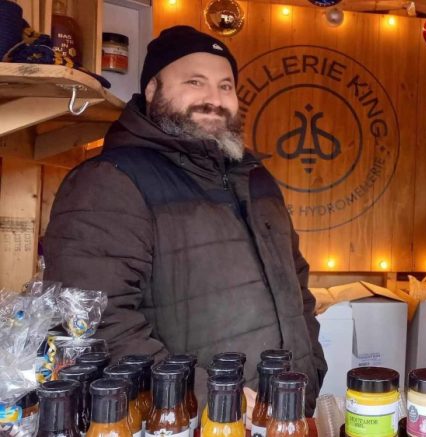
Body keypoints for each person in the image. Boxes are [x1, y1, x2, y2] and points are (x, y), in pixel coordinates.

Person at [43, 26, 326, 414]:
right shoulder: (110, 180)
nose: (215, 99)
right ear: (153, 90)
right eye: (195, 82)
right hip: (191, 420)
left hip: (285, 413)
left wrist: (310, 365)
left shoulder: (257, 179)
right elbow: (92, 326)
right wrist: (212, 400)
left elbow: (297, 283)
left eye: (226, 86)